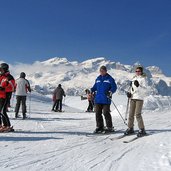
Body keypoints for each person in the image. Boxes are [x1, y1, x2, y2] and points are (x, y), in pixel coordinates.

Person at [91, 66, 117, 133]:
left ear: (106, 71)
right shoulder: (98, 79)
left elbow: (114, 87)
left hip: (106, 99)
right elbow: (94, 87)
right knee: (97, 113)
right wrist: (90, 90)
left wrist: (110, 92)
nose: (101, 72)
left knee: (106, 112)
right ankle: (99, 127)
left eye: (103, 71)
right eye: (100, 71)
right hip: (98, 99)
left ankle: (109, 127)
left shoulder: (110, 78)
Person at [125, 66, 147, 137]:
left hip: (139, 98)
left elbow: (145, 90)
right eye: (136, 71)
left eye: (139, 71)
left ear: (141, 72)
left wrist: (138, 86)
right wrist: (129, 93)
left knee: (137, 114)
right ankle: (130, 128)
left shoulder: (143, 79)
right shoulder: (133, 78)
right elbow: (132, 89)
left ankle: (142, 129)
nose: (137, 72)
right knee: (131, 114)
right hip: (133, 98)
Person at [0, 63, 14, 132]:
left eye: (1, 69)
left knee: (3, 111)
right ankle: (1, 125)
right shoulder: (1, 77)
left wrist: (4, 89)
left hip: (5, 96)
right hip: (0, 96)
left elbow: (12, 87)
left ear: (5, 69)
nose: (0, 71)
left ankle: (7, 126)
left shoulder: (9, 77)